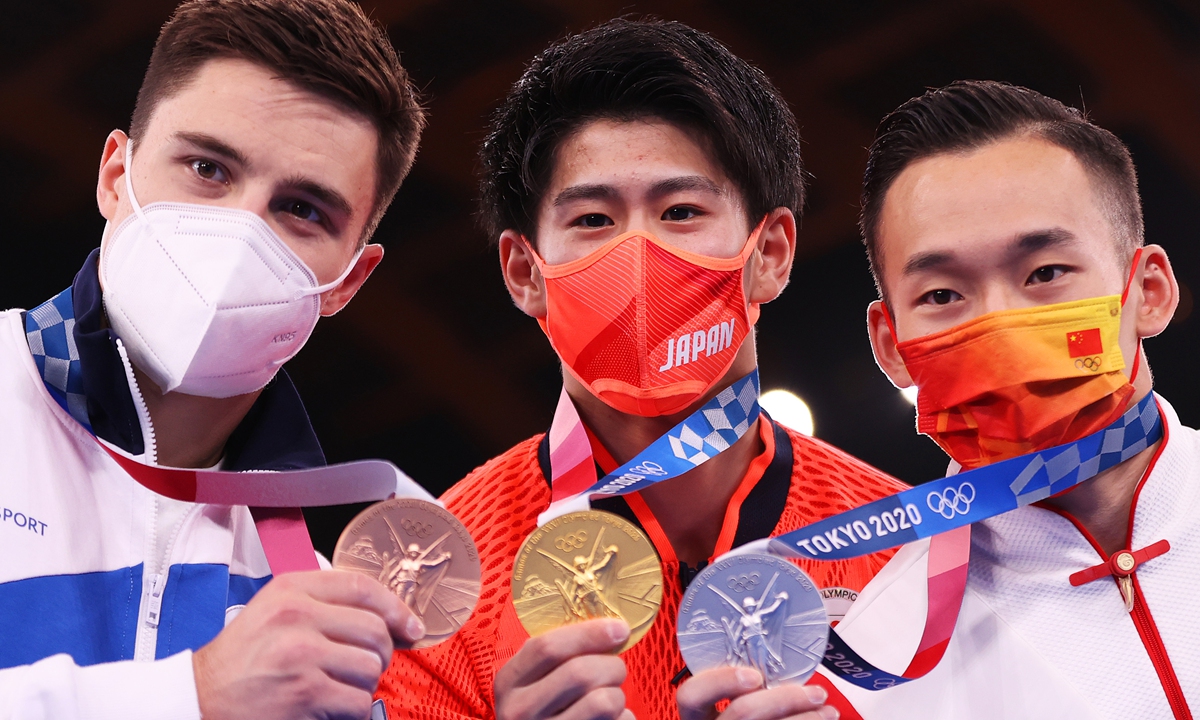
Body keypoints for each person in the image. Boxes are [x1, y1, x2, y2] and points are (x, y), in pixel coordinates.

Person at [377, 19, 909, 720]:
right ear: (523, 272)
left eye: (681, 211)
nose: (638, 256)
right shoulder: (437, 587)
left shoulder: (906, 551)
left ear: (771, 253)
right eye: (594, 220)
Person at [0, 1, 428, 718]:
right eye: (207, 167)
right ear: (115, 174)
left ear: (348, 283)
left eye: (303, 209)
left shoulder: (309, 611)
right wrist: (193, 695)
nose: (238, 235)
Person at [819, 80, 1195, 719]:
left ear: (1149, 291)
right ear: (891, 346)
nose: (1000, 328)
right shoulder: (873, 670)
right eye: (942, 296)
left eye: (1044, 274)